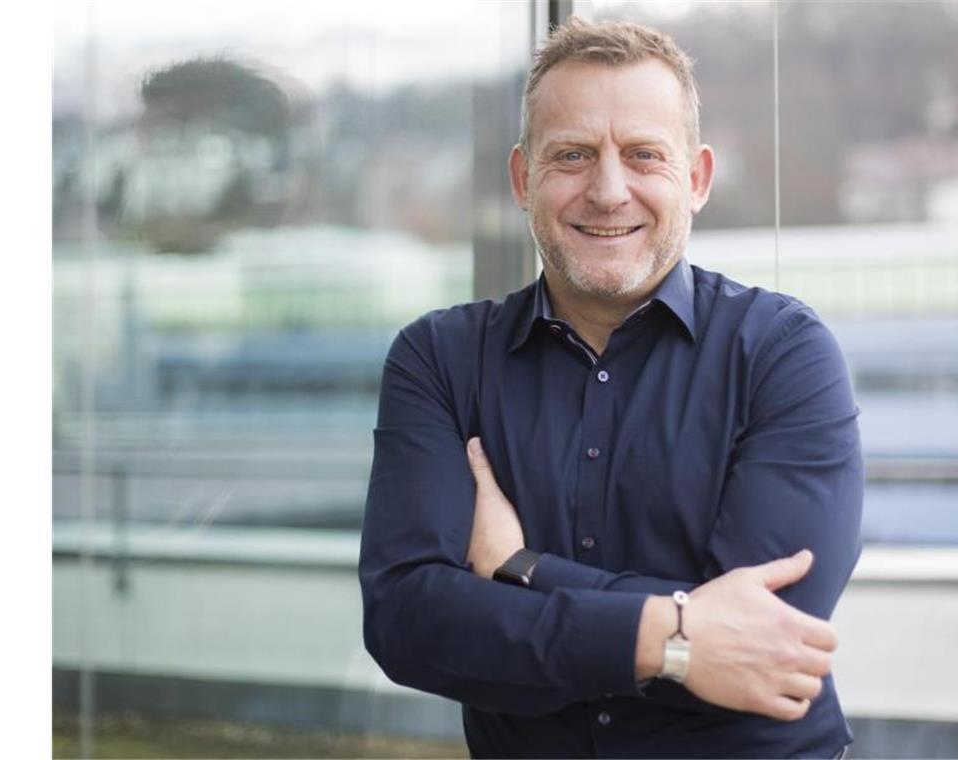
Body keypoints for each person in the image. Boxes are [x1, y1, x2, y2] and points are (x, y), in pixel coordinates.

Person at [359, 17, 862, 759]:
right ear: (524, 179)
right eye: (572, 155)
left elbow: (768, 640)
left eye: (643, 155)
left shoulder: (783, 355)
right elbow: (408, 624)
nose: (607, 189)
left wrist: (521, 572)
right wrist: (678, 635)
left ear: (695, 180)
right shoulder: (438, 360)